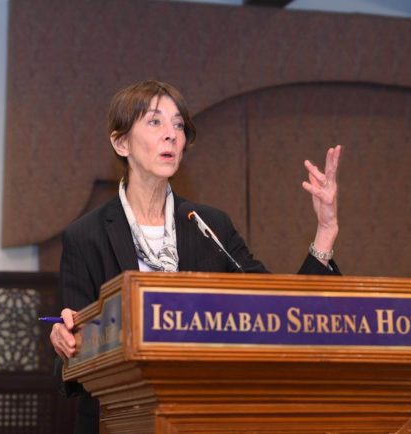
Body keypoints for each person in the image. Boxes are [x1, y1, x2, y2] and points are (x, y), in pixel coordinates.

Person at [50, 79, 342, 433]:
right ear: (121, 142)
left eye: (178, 125)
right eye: (155, 121)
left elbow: (280, 311)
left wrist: (325, 230)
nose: (171, 134)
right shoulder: (86, 236)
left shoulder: (209, 225)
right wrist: (67, 345)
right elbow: (71, 358)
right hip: (118, 420)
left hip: (202, 416)